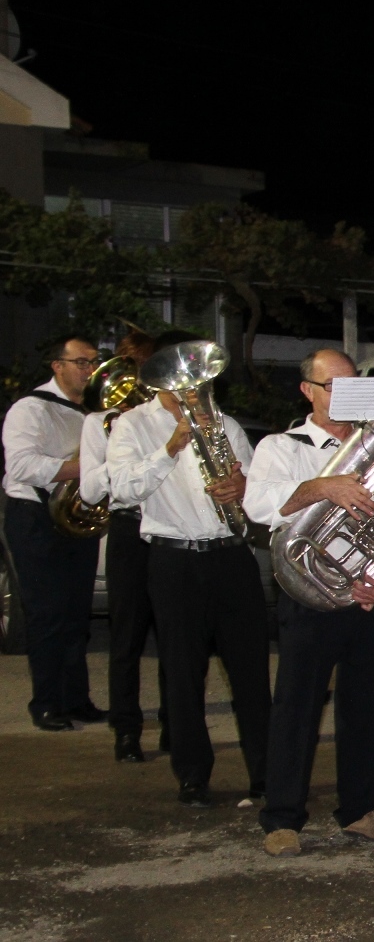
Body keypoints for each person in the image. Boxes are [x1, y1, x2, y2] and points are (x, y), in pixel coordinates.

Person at [245, 348, 374, 857]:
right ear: (307, 391)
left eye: (352, 385)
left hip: (369, 595)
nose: (343, 396)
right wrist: (322, 486)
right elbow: (258, 505)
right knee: (296, 708)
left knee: (367, 708)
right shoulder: (282, 446)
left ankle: (362, 809)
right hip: (309, 594)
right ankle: (282, 819)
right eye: (332, 387)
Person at [107, 332, 267, 807]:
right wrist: (172, 446)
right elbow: (122, 489)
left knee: (251, 672)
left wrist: (241, 486)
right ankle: (193, 775)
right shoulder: (132, 426)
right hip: (173, 559)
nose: (190, 388)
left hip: (230, 556)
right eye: (180, 377)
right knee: (182, 672)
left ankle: (266, 772)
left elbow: (258, 493)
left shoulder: (226, 424)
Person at [2, 334, 106, 732]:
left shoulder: (95, 413)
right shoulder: (31, 409)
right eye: (81, 362)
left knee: (76, 614)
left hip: (77, 518)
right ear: (57, 366)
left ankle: (77, 700)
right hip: (35, 518)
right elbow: (23, 467)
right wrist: (86, 467)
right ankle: (45, 703)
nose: (89, 369)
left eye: (93, 361)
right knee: (47, 615)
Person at [77, 331, 162, 759]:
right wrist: (121, 458)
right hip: (129, 530)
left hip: (171, 531)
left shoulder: (169, 418)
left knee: (177, 637)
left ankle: (176, 724)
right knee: (126, 638)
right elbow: (91, 490)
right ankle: (126, 731)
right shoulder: (99, 422)